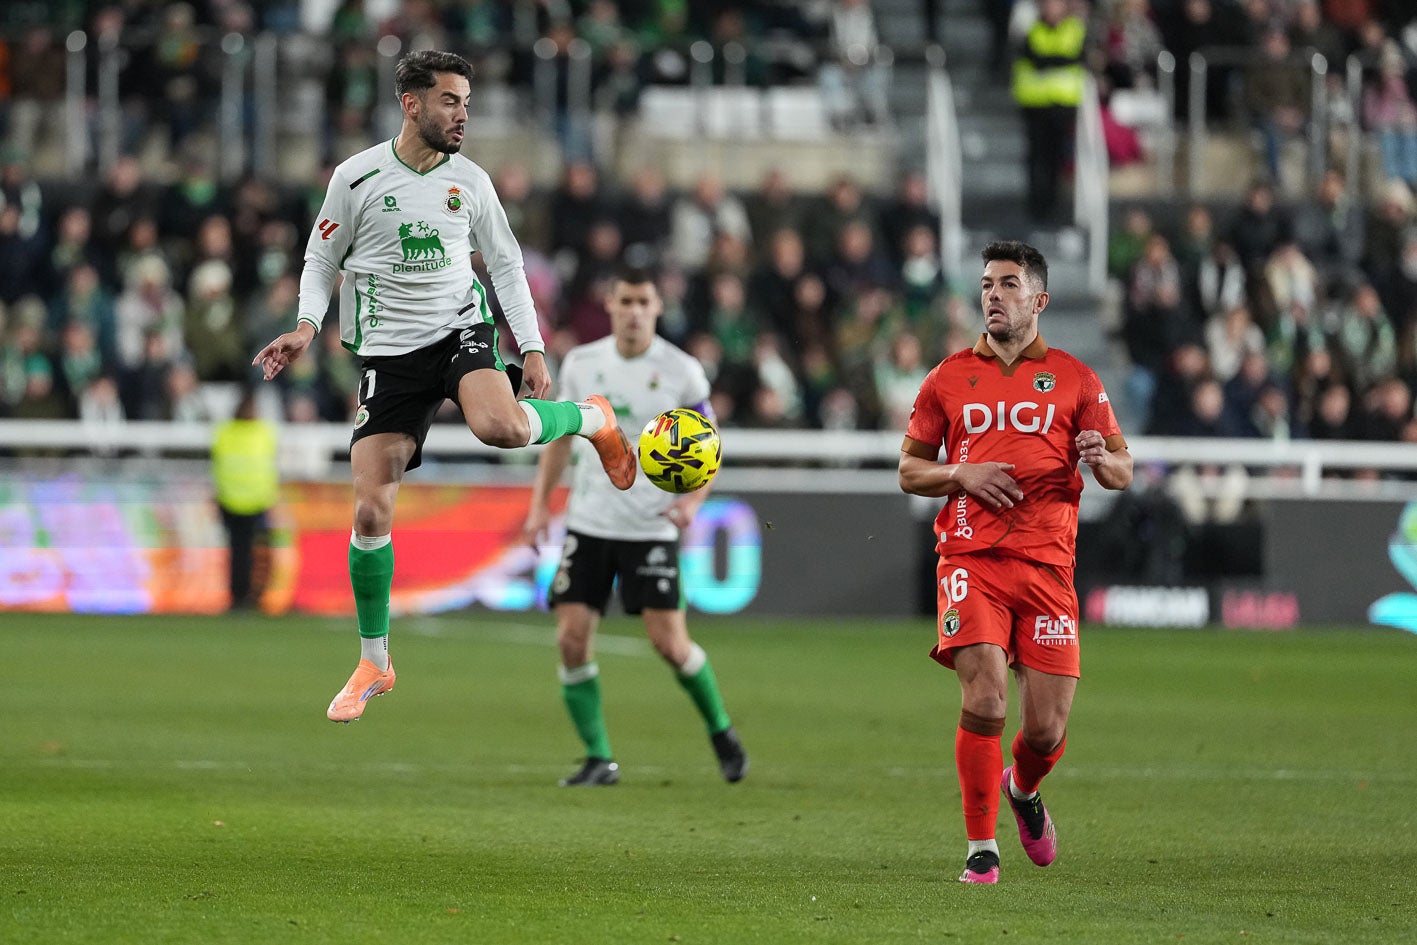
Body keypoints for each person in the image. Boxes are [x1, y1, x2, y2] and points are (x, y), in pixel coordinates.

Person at [253, 50, 636, 723]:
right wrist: (307, 326)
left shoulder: (471, 182)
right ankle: (375, 659)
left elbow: (508, 265)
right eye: (451, 101)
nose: (463, 114)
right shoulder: (357, 176)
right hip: (389, 356)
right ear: (412, 103)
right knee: (371, 511)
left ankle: (591, 417)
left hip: (459, 329)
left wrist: (534, 346)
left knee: (503, 426)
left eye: (466, 101)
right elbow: (321, 257)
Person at [897, 240, 1133, 884]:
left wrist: (1098, 456)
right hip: (970, 558)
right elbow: (909, 471)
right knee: (986, 700)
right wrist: (960, 473)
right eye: (986, 284)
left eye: (1007, 284)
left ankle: (1023, 789)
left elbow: (1121, 469)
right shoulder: (946, 376)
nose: (993, 295)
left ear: (1040, 299)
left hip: (1049, 568)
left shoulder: (1077, 377)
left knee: (1046, 731)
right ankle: (981, 846)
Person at [521, 266, 748, 787]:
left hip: (650, 526)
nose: (635, 311)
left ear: (657, 307)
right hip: (590, 522)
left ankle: (721, 730)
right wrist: (539, 508)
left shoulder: (682, 370)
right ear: (611, 304)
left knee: (670, 644)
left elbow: (708, 447)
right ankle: (600, 758)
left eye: (644, 302)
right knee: (571, 640)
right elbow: (559, 440)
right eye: (626, 301)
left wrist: (692, 505)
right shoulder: (581, 364)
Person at [1012, 0, 1087, 221]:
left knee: (1056, 157)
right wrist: (1058, 60)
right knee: (1036, 156)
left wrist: (1049, 60)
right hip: (1034, 104)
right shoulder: (1030, 28)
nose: (1052, 8)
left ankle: (1053, 205)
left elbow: (1076, 58)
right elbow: (1033, 58)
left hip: (1062, 105)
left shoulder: (1075, 29)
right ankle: (1035, 205)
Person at [210, 386, 279, 611]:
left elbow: (218, 466)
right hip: (253, 502)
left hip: (233, 501)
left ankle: (241, 597)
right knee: (251, 554)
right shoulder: (262, 432)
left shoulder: (224, 432)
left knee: (239, 553)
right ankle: (249, 597)